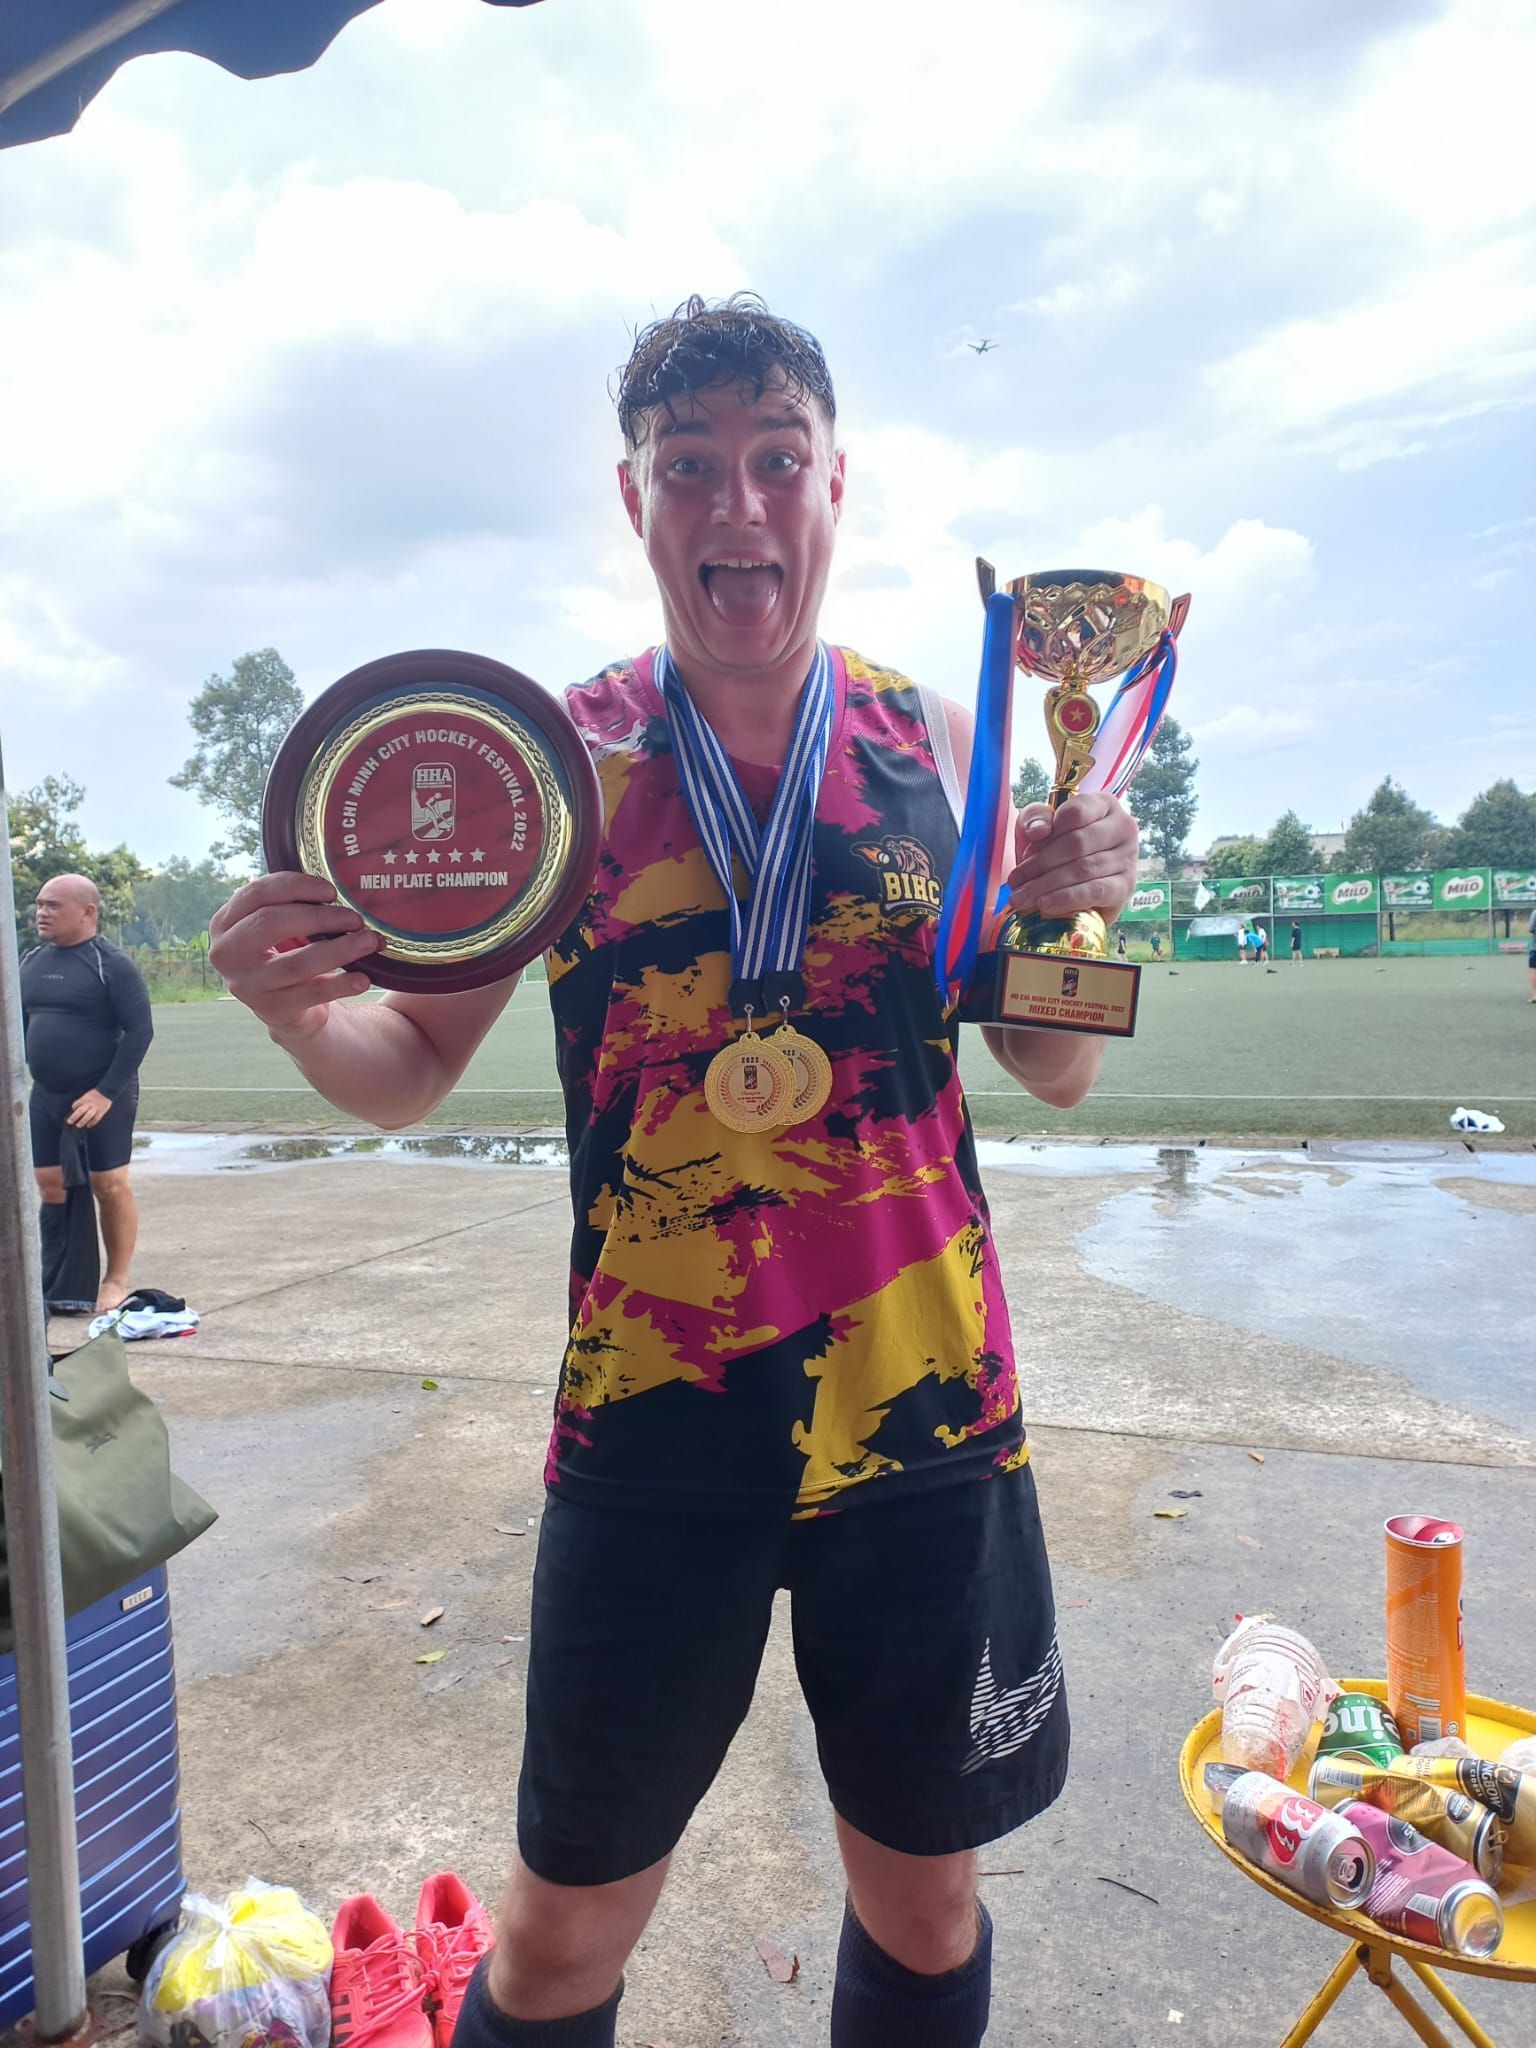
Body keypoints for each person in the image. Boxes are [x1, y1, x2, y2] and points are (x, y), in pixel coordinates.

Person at [208, 294, 1141, 2048]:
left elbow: (1056, 1064)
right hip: (655, 1417)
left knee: (927, 1909)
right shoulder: (552, 767)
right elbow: (407, 1070)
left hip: (924, 1412)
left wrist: (1072, 907)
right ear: (633, 498)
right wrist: (299, 1007)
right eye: (691, 465)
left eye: (777, 460)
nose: (739, 503)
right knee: (559, 1936)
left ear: (834, 484)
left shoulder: (945, 747)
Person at [22, 873, 153, 1312]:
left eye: (53, 905)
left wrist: (104, 1093)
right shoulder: (31, 960)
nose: (42, 912)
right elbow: (21, 1026)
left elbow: (140, 1032)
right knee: (50, 1185)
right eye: (40, 904)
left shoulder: (110, 964)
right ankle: (61, 1284)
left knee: (108, 1185)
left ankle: (115, 1279)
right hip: (47, 1094)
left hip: (103, 1093)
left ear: (87, 912)